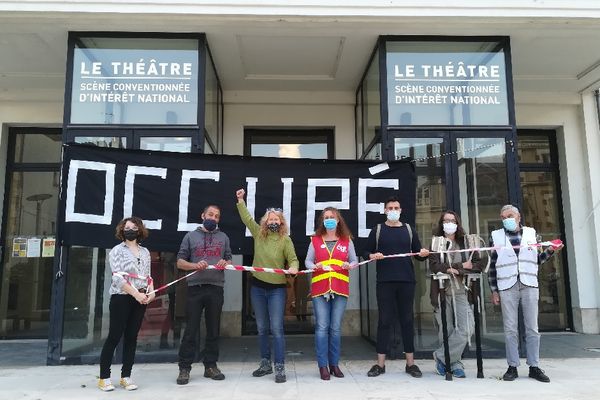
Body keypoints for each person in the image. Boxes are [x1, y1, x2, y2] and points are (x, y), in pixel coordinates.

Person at [488, 204, 563, 383]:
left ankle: (534, 366)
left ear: (519, 217)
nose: (507, 219)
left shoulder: (531, 233)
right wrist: (494, 290)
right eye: (504, 216)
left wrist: (551, 250)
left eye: (511, 215)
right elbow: (492, 265)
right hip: (507, 285)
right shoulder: (496, 236)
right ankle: (512, 366)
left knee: (532, 328)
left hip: (529, 284)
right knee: (510, 329)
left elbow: (537, 259)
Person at [236, 188, 299, 383]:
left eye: (276, 219)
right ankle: (265, 363)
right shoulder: (258, 234)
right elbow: (247, 219)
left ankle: (279, 367)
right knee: (262, 328)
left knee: (277, 329)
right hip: (257, 288)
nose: (273, 222)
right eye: (270, 219)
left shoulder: (285, 239)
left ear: (281, 222)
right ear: (265, 221)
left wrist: (294, 268)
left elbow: (294, 259)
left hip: (277, 290)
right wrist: (240, 201)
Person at [364, 196, 429, 378]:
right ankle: (380, 364)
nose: (393, 210)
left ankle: (410, 364)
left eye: (396, 207)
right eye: (390, 207)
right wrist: (372, 255)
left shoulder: (409, 230)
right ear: (385, 210)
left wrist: (423, 253)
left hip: (407, 281)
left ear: (400, 210)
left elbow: (418, 254)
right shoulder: (377, 230)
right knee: (384, 321)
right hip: (384, 282)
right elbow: (365, 251)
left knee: (407, 321)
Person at [176, 205, 232, 385]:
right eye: (210, 214)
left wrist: (225, 262)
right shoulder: (190, 236)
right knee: (191, 330)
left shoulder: (224, 237)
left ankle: (210, 366)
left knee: (213, 329)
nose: (213, 218)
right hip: (195, 288)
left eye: (217, 216)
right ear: (202, 215)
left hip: (216, 288)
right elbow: (180, 262)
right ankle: (184, 368)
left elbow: (229, 259)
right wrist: (194, 266)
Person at [98, 217, 154, 392]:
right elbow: (117, 277)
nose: (130, 230)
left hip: (141, 299)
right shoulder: (116, 250)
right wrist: (136, 293)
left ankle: (126, 376)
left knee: (132, 337)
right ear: (122, 231)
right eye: (127, 227)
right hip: (122, 297)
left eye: (134, 227)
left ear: (140, 230)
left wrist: (150, 292)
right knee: (114, 336)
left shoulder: (145, 251)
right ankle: (104, 378)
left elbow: (147, 276)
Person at [429, 210, 485, 378]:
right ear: (441, 224)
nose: (449, 223)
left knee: (467, 328)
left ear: (457, 223)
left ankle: (441, 357)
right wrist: (462, 266)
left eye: (452, 220)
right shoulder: (436, 242)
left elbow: (479, 263)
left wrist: (456, 268)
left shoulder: (466, 242)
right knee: (446, 330)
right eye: (446, 220)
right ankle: (454, 362)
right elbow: (434, 265)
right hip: (442, 290)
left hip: (462, 291)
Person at [305, 207, 358, 380]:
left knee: (335, 328)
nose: (329, 219)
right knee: (322, 327)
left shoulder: (346, 240)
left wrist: (350, 265)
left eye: (332, 217)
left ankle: (334, 364)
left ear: (338, 220)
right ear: (322, 221)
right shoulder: (314, 240)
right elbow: (307, 261)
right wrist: (314, 266)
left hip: (340, 287)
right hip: (320, 288)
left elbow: (354, 260)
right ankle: (323, 366)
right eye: (326, 217)